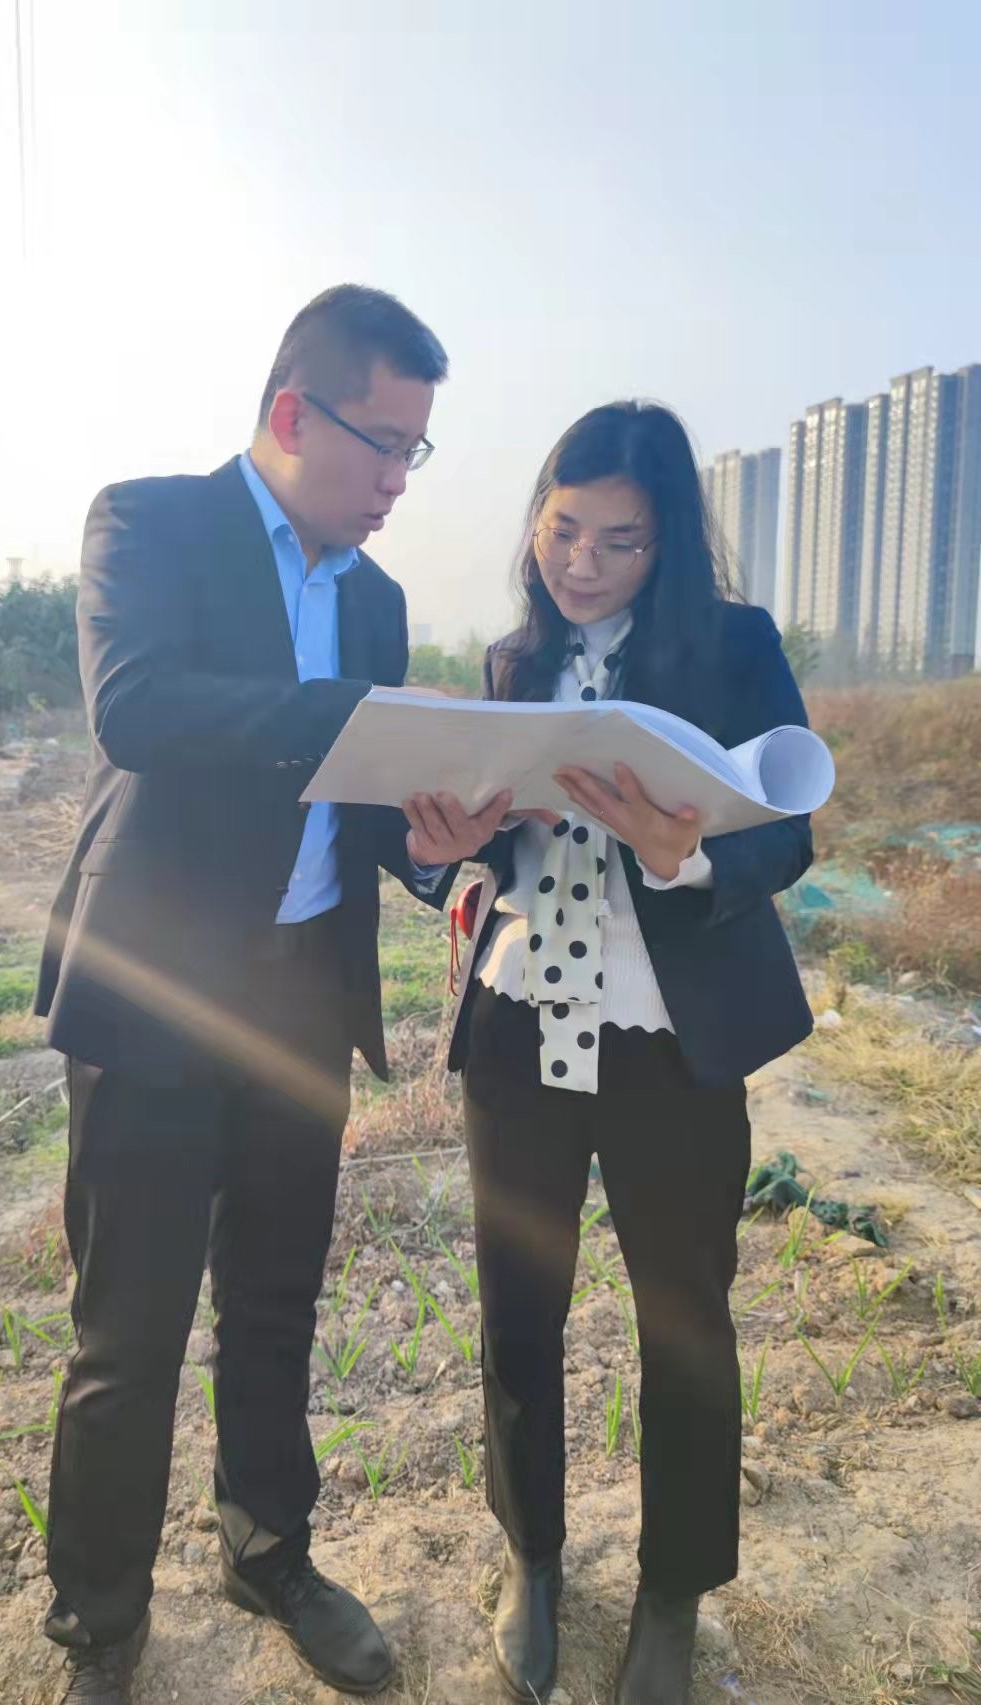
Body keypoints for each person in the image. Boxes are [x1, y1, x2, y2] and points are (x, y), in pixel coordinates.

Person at [34, 284, 509, 1705]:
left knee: (275, 1301)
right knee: (127, 1333)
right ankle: (99, 1623)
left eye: (417, 451)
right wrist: (355, 718)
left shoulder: (375, 602)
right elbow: (136, 707)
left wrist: (431, 844)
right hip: (158, 992)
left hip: (304, 993)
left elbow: (365, 811)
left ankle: (268, 1547)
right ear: (295, 413)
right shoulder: (149, 523)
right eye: (384, 445)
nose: (398, 481)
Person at [403, 402, 815, 1705]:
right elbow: (482, 841)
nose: (581, 563)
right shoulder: (514, 659)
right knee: (518, 1309)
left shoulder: (735, 647)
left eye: (619, 541)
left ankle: (672, 1594)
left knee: (683, 1319)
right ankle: (531, 1556)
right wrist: (441, 848)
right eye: (562, 529)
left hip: (668, 1036)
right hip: (522, 1019)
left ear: (667, 541)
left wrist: (681, 854)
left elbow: (790, 829)